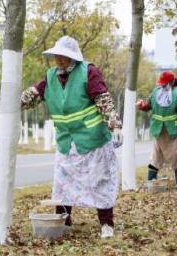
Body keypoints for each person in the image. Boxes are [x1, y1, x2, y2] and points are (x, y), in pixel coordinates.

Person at [20, 36, 122, 238]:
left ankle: (106, 224)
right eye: (57, 55)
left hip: (93, 141)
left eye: (63, 56)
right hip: (67, 142)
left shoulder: (89, 72)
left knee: (99, 181)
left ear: (73, 57)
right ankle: (63, 221)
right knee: (62, 183)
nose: (59, 59)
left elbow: (104, 100)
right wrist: (15, 102)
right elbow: (32, 95)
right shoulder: (50, 77)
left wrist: (115, 126)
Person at [137, 71, 177, 189]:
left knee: (176, 155)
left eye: (164, 84)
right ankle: (150, 182)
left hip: (173, 131)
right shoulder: (156, 92)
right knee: (156, 155)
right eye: (161, 83)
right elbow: (148, 105)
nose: (162, 86)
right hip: (158, 130)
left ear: (171, 82)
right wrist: (142, 105)